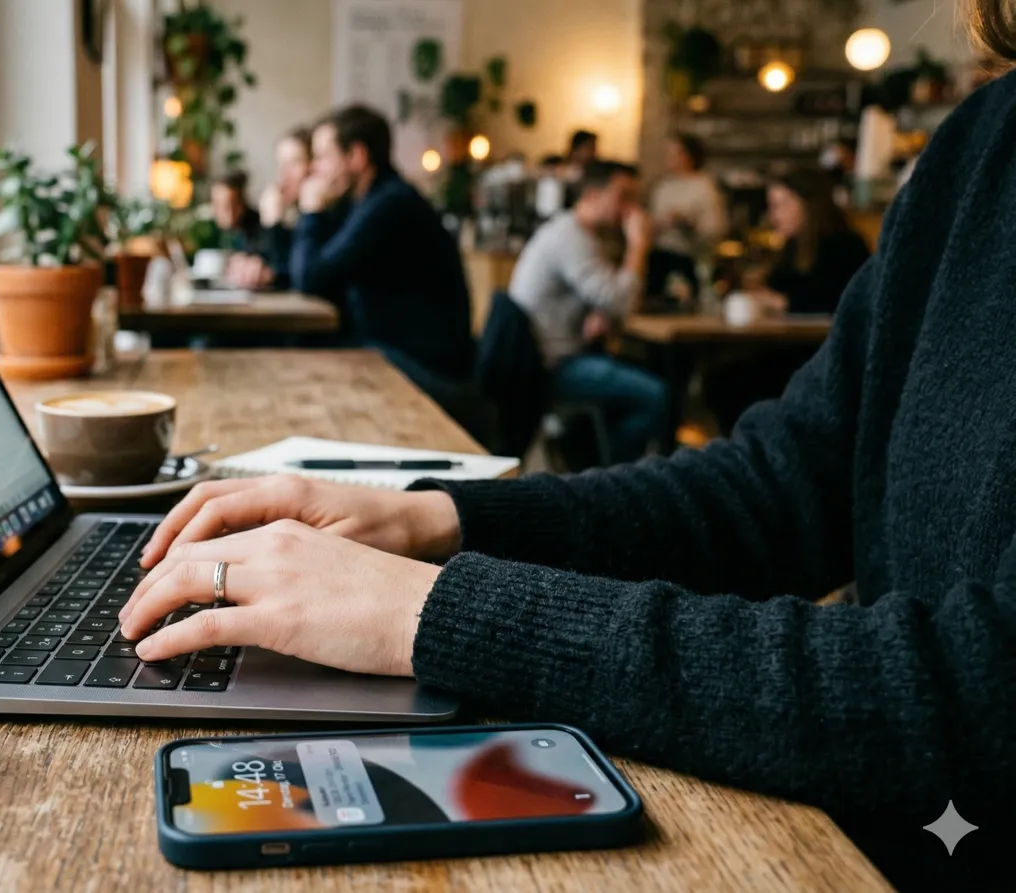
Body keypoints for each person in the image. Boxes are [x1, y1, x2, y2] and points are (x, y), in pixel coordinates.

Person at [115, 19, 1016, 889]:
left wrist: (438, 611)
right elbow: (773, 491)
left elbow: (980, 700)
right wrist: (445, 520)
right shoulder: (981, 143)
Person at [290, 104, 475, 408]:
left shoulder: (390, 205)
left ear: (356, 157)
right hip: (394, 352)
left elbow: (312, 279)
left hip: (424, 369)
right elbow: (323, 267)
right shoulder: (369, 201)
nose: (315, 170)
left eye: (323, 157)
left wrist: (311, 213)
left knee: (305, 362)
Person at [508, 160, 669, 463]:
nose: (630, 209)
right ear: (593, 194)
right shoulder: (570, 238)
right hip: (550, 367)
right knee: (654, 395)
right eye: (624, 197)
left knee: (639, 377)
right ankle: (616, 481)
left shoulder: (578, 234)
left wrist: (599, 312)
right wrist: (638, 245)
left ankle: (590, 461)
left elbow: (608, 302)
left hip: (558, 355)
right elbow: (621, 301)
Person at [703, 169, 870, 432]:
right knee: (719, 373)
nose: (773, 215)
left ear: (808, 204)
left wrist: (779, 302)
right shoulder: (793, 247)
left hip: (823, 356)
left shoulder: (844, 245)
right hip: (790, 348)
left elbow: (839, 302)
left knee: (727, 380)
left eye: (781, 205)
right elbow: (779, 288)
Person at [228, 127, 311, 291]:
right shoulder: (297, 215)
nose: (283, 174)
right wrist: (248, 260)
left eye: (294, 163)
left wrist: (274, 224)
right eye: (280, 164)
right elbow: (277, 266)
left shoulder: (321, 216)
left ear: (313, 166)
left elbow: (300, 277)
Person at [649, 134, 726, 301]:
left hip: (688, 260)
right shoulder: (662, 187)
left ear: (688, 156)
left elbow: (715, 231)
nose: (667, 158)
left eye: (672, 154)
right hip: (659, 258)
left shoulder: (705, 188)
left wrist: (687, 223)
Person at [210, 171, 262, 254]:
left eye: (228, 206)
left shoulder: (259, 232)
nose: (219, 212)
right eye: (217, 204)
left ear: (242, 204)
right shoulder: (210, 232)